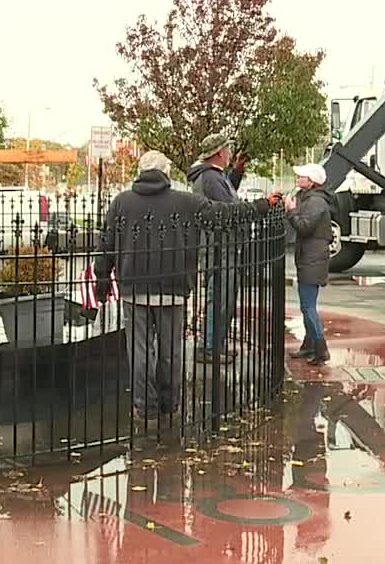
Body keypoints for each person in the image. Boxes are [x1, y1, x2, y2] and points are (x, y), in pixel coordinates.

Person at [96, 150, 275, 432]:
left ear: (141, 172)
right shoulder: (184, 201)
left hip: (134, 288)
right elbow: (223, 214)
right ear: (166, 173)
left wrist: (102, 277)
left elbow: (106, 242)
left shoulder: (121, 202)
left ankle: (145, 407)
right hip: (173, 288)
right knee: (170, 352)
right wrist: (262, 206)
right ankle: (170, 404)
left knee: (140, 351)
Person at [186, 132, 251, 364]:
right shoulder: (211, 178)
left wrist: (237, 172)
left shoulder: (214, 177)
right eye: (228, 150)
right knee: (220, 298)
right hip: (219, 246)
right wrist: (256, 208)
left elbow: (225, 195)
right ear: (219, 153)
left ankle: (215, 344)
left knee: (224, 297)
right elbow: (227, 209)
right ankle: (209, 346)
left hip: (222, 245)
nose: (230, 153)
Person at [282, 163, 335, 365]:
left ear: (311, 181)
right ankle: (309, 344)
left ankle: (321, 348)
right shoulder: (311, 199)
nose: (297, 179)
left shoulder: (316, 202)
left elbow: (304, 227)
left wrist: (291, 211)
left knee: (308, 306)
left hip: (312, 258)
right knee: (307, 305)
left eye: (301, 176)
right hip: (310, 257)